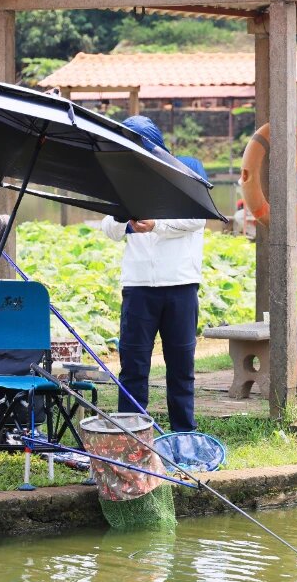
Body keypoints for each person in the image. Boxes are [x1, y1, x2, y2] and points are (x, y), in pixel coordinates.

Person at [99, 122, 206, 432]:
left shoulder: (186, 171)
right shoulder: (121, 180)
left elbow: (197, 219)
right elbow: (109, 229)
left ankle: (183, 431)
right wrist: (124, 219)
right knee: (132, 366)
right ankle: (130, 432)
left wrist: (156, 224)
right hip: (138, 287)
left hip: (181, 285)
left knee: (181, 366)